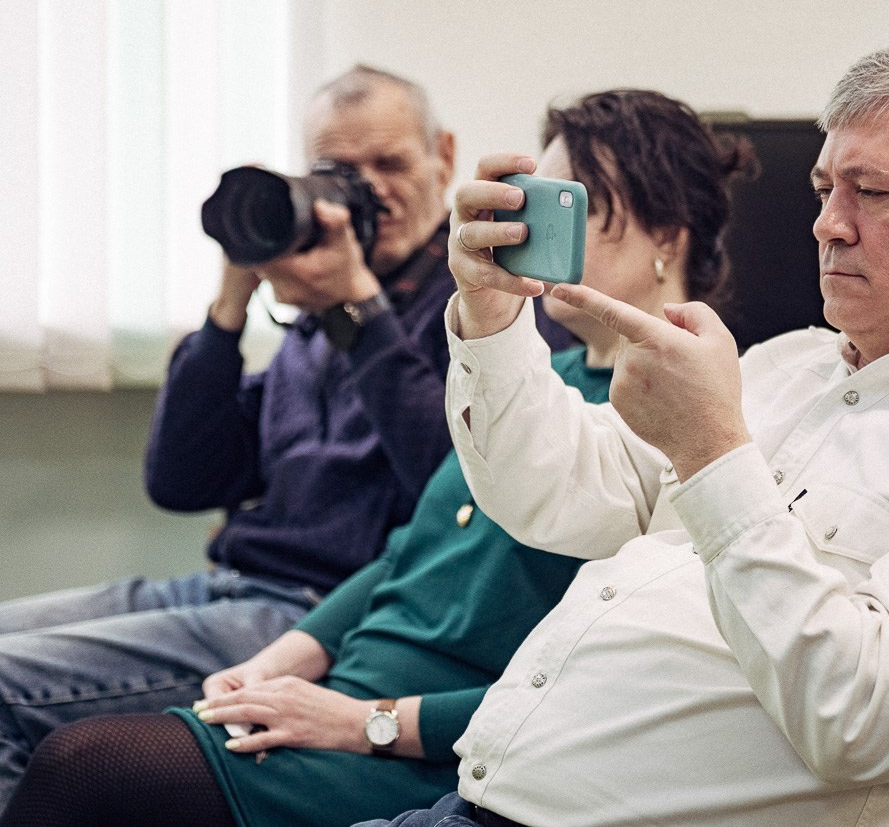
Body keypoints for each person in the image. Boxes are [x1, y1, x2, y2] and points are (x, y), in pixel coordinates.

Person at [357, 36, 889, 827]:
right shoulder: (789, 365)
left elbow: (857, 717)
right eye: (823, 189)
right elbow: (553, 494)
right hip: (468, 804)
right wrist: (493, 318)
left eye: (869, 192)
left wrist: (713, 456)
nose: (827, 226)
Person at [0, 89, 753, 827]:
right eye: (536, 200)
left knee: (84, 765)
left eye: (571, 205)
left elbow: (617, 673)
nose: (535, 228)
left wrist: (370, 720)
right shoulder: (538, 377)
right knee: (82, 757)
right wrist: (284, 660)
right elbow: (406, 548)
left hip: (426, 729)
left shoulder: (683, 408)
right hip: (342, 657)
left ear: (669, 232)